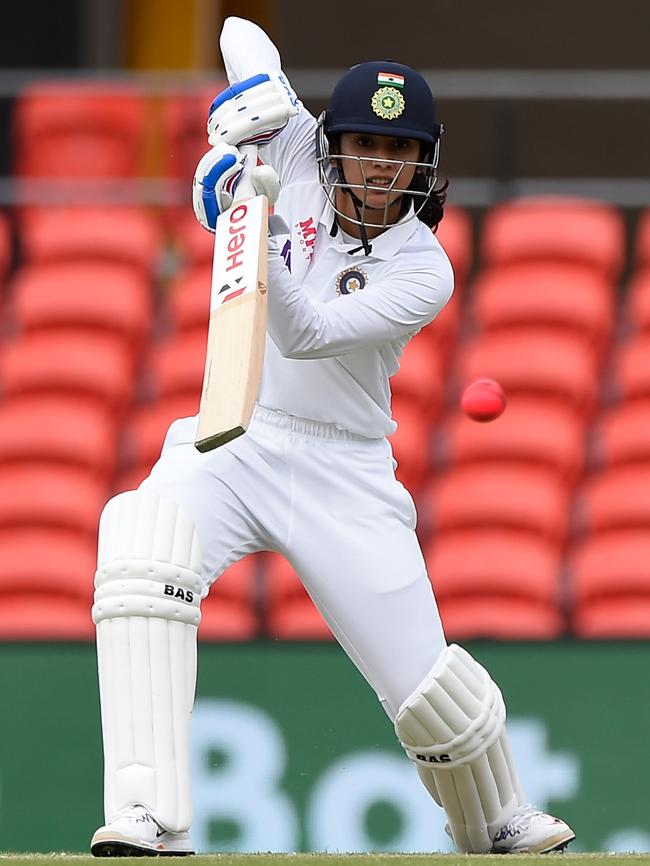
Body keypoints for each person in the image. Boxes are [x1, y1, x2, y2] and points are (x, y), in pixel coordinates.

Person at [90, 16, 575, 858]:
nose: (382, 165)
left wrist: (249, 224)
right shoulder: (296, 144)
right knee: (141, 549)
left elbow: (306, 332)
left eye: (402, 151)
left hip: (343, 468)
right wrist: (248, 107)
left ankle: (497, 818)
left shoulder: (426, 266)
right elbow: (241, 31)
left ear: (424, 162)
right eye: (365, 143)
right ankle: (148, 816)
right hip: (233, 435)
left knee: (430, 697)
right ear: (335, 141)